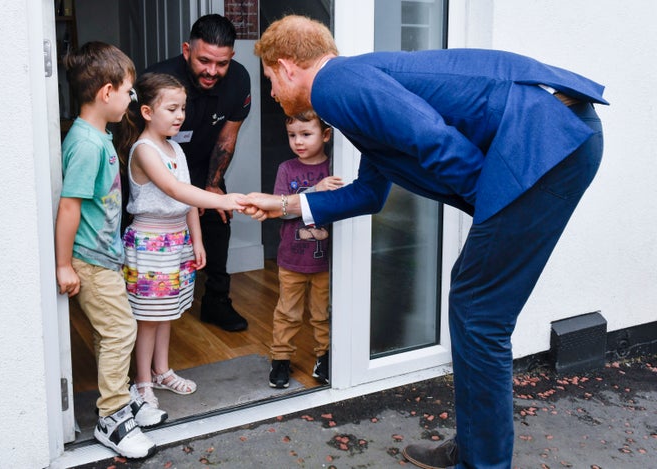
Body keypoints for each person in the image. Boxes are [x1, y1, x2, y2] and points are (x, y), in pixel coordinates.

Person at [248, 15, 607, 469]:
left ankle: (482, 462)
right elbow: (370, 194)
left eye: (270, 81)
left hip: (545, 145)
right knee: (475, 303)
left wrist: (491, 205)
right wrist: (282, 205)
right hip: (556, 139)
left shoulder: (334, 84)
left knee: (479, 311)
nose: (274, 93)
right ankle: (476, 450)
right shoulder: (352, 85)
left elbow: (433, 138)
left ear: (285, 66)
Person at [55, 42, 166, 459]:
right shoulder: (86, 144)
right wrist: (64, 264)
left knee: (113, 333)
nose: (131, 99)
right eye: (128, 91)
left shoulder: (96, 136)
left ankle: (119, 398)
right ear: (106, 92)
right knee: (120, 331)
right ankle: (112, 418)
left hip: (104, 258)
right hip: (91, 261)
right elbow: (70, 205)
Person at [114, 72, 247, 411]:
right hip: (150, 244)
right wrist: (224, 200)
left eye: (183, 109)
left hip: (176, 243)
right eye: (172, 109)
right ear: (147, 112)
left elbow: (187, 201)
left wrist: (197, 241)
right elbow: (175, 190)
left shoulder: (175, 148)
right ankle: (142, 382)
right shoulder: (144, 151)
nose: (180, 116)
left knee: (167, 313)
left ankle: (161, 371)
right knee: (148, 318)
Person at [144, 14, 251, 332]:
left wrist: (213, 187)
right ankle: (145, 309)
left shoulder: (239, 79)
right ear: (186, 49)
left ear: (231, 57)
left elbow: (227, 137)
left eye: (221, 63)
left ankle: (216, 302)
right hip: (157, 168)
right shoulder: (157, 78)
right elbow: (138, 141)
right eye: (204, 60)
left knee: (218, 222)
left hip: (204, 165)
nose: (211, 71)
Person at [268, 110, 343, 389]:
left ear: (325, 135)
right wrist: (315, 191)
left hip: (327, 260)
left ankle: (324, 357)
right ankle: (281, 358)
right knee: (288, 312)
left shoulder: (336, 167)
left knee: (323, 312)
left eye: (306, 134)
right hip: (291, 259)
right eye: (292, 135)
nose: (298, 141)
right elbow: (280, 210)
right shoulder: (287, 169)